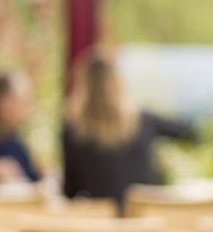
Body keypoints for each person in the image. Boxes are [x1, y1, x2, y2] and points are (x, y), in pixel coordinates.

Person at [61, 47, 196, 214]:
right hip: (147, 223)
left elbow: (70, 191)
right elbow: (189, 132)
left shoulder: (74, 131)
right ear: (117, 83)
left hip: (101, 229)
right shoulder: (142, 120)